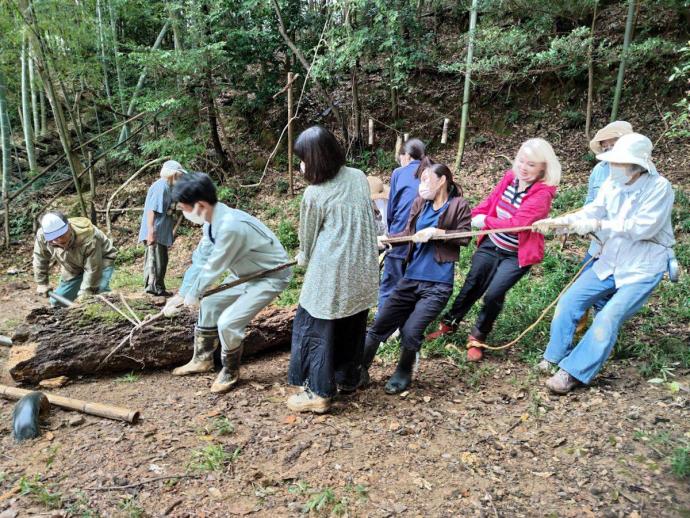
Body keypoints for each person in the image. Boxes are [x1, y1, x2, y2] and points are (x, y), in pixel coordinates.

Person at [533, 133, 675, 394]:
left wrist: (598, 225)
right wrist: (563, 222)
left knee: (608, 316)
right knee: (569, 302)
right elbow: (594, 210)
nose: (613, 166)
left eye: (619, 162)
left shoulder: (660, 188)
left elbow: (642, 228)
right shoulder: (612, 182)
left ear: (637, 164)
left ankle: (572, 372)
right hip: (609, 260)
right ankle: (553, 357)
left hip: (642, 267)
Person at [425, 138, 561, 362]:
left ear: (543, 168)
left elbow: (517, 224)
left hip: (516, 253)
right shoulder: (510, 178)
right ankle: (450, 322)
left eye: (531, 165)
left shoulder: (542, 195)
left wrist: (485, 221)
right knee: (472, 283)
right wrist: (466, 220)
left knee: (494, 294)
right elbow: (490, 203)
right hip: (492, 243)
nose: (523, 168)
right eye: (521, 161)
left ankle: (478, 337)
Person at [165, 173, 291, 394]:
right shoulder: (211, 222)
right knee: (211, 302)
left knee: (228, 323)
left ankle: (230, 370)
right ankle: (202, 359)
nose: (183, 213)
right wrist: (182, 293)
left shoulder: (231, 226)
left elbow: (214, 267)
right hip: (245, 273)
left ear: (200, 205)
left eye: (184, 208)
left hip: (269, 276)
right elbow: (202, 259)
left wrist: (192, 296)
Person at [287, 126, 379, 414]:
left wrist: (302, 258)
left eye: (302, 159)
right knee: (352, 323)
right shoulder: (358, 176)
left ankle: (319, 392)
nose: (300, 165)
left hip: (332, 274)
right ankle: (349, 377)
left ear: (315, 160)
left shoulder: (314, 194)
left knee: (316, 328)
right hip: (363, 267)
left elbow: (308, 239)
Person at [361, 162, 472, 394]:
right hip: (411, 278)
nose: (421, 185)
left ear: (441, 181)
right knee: (380, 324)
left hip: (438, 284)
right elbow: (408, 234)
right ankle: (359, 369)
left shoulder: (458, 205)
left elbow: (465, 236)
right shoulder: (420, 204)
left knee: (411, 330)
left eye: (425, 180)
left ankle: (403, 371)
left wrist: (438, 233)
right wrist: (387, 239)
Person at [379, 138, 426, 310]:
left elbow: (391, 209)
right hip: (425, 237)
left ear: (406, 155)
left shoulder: (399, 172)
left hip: (400, 234)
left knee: (390, 283)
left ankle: (383, 327)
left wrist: (392, 233)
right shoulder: (434, 172)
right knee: (413, 281)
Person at [33, 211, 117, 306]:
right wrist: (42, 282)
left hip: (101, 262)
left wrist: (86, 293)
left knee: (97, 295)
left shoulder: (89, 238)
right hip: (73, 267)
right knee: (57, 302)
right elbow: (40, 258)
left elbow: (93, 269)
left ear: (69, 227)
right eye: (53, 237)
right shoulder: (43, 236)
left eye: (61, 235)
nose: (57, 240)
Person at [138, 160, 187, 296]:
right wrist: (151, 231)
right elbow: (151, 211)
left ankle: (157, 287)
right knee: (156, 260)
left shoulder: (169, 186)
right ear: (173, 174)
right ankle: (153, 288)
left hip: (161, 230)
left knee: (161, 259)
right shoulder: (161, 186)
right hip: (156, 229)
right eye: (179, 175)